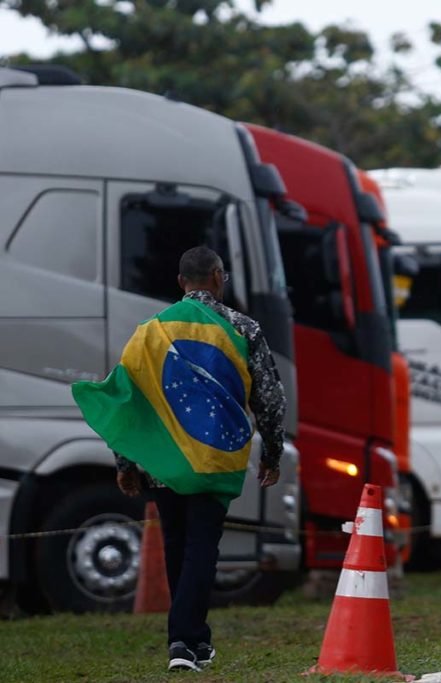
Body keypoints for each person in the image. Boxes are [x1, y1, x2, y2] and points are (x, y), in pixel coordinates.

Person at [72, 247, 286, 672]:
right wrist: (273, 452)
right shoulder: (242, 327)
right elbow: (269, 398)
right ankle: (185, 642)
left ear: (180, 282)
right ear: (218, 278)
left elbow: (129, 401)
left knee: (175, 542)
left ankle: (193, 640)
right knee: (202, 545)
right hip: (213, 456)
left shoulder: (149, 332)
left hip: (163, 459)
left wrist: (126, 463)